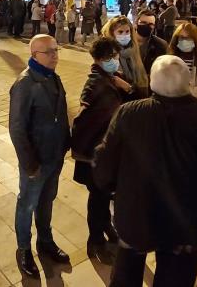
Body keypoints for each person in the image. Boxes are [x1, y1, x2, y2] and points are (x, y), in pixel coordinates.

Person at [93, 55, 197, 287]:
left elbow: (105, 160)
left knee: (126, 274)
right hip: (187, 223)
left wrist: (111, 187)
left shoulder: (129, 113)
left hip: (137, 214)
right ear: (187, 82)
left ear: (152, 82)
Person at [9, 34, 71, 278]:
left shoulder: (52, 77)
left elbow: (61, 114)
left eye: (56, 50)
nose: (55, 55)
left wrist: (66, 143)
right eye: (50, 52)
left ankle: (45, 241)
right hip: (36, 161)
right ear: (35, 55)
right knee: (27, 204)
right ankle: (24, 248)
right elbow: (16, 128)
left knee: (47, 201)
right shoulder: (25, 84)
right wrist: (29, 163)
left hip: (54, 156)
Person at [71, 37, 126, 261]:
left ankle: (106, 229)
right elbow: (82, 120)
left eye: (116, 56)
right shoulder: (96, 83)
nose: (115, 60)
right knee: (98, 199)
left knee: (103, 196)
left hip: (104, 154)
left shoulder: (110, 78)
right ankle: (95, 242)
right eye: (110, 57)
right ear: (98, 59)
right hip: (95, 156)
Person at [102, 15, 149, 98]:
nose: (125, 35)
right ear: (112, 33)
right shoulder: (107, 51)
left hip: (135, 93)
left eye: (127, 31)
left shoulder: (133, 48)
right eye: (120, 32)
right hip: (117, 96)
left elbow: (140, 72)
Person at [169, 23, 197, 101]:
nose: (185, 41)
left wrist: (176, 91)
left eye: (189, 38)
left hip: (194, 107)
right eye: (182, 38)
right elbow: (163, 87)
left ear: (195, 40)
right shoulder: (168, 60)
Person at [135, 10, 168, 74]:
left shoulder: (161, 45)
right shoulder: (125, 42)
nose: (147, 26)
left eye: (151, 24)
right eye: (143, 23)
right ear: (136, 22)